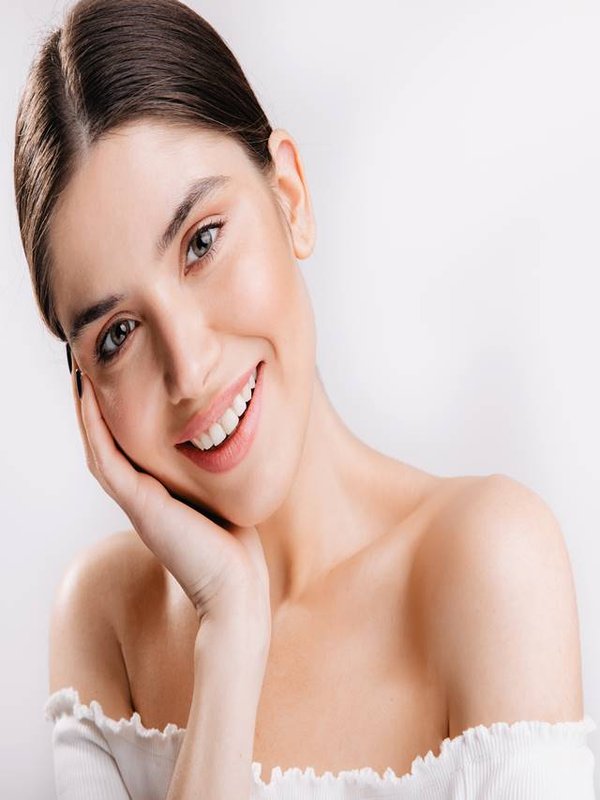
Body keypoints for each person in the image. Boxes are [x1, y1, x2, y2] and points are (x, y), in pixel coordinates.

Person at [13, 0, 596, 797]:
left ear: (289, 194)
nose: (189, 368)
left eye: (202, 243)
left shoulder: (486, 564)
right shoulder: (104, 622)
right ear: (86, 392)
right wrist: (230, 630)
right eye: (117, 335)